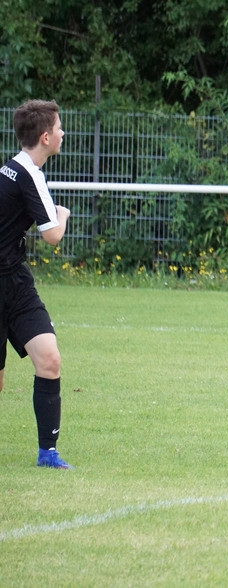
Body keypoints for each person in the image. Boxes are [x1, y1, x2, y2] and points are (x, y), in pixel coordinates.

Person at [0, 100, 73, 469]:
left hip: (16, 283)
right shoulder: (28, 174)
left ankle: (48, 453)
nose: (62, 133)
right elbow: (53, 235)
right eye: (58, 128)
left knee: (49, 358)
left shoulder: (13, 169)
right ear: (45, 137)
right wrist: (62, 214)